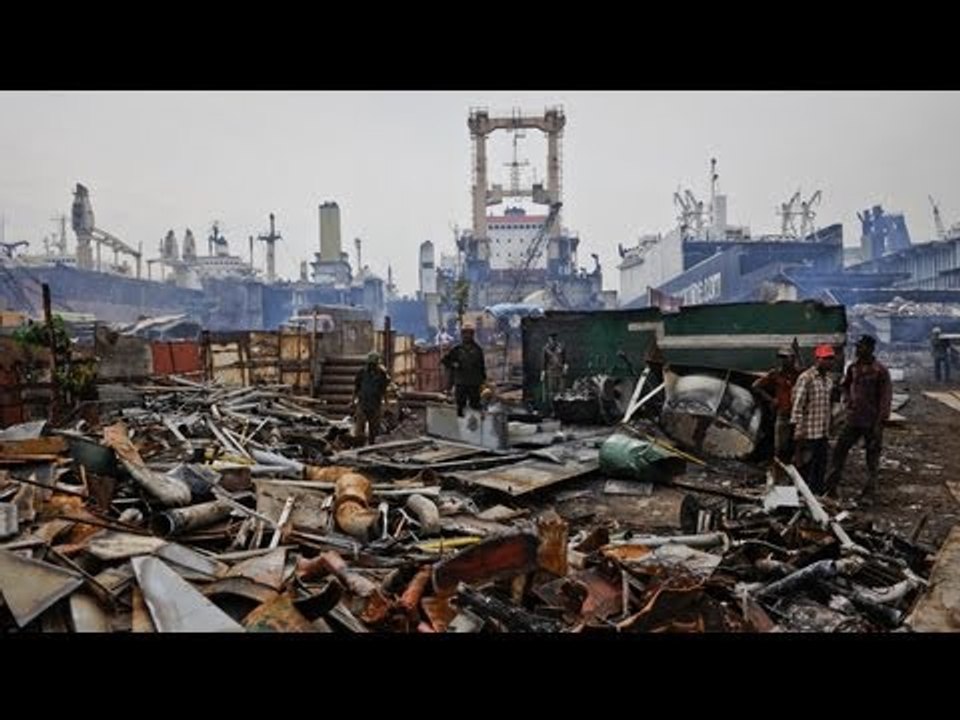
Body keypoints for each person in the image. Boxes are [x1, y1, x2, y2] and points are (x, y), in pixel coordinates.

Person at [825, 334, 892, 503]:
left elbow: (885, 399)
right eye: (857, 347)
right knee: (839, 452)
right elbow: (845, 385)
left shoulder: (880, 371)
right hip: (853, 420)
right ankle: (831, 488)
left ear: (870, 349)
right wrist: (848, 399)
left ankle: (869, 493)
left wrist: (880, 423)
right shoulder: (853, 368)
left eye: (860, 347)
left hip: (872, 421)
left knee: (872, 458)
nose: (857, 350)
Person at [791, 344, 836, 494]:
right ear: (817, 359)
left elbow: (827, 407)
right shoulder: (806, 378)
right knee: (806, 468)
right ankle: (803, 496)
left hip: (822, 433)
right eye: (826, 358)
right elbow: (797, 406)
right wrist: (798, 432)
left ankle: (817, 495)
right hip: (808, 433)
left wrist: (829, 429)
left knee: (820, 467)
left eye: (831, 359)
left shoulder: (828, 381)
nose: (829, 362)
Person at [752, 346, 800, 468]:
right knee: (780, 445)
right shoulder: (775, 374)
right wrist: (771, 400)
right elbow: (756, 386)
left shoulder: (799, 374)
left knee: (797, 445)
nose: (784, 360)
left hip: (798, 415)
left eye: (786, 357)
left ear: (793, 358)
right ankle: (778, 469)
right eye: (782, 358)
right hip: (783, 413)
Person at [441, 324, 487, 416]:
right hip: (461, 383)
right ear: (462, 335)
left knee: (475, 406)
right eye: (465, 333)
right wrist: (454, 365)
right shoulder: (457, 349)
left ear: (472, 335)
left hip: (474, 383)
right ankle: (460, 422)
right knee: (460, 406)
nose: (467, 335)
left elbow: (482, 367)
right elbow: (445, 361)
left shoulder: (478, 350)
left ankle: (474, 423)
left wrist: (483, 382)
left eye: (469, 333)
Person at [352, 351, 390, 445]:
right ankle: (359, 444)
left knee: (374, 429)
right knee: (360, 427)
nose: (371, 366)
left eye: (373, 364)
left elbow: (384, 390)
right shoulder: (362, 373)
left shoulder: (381, 374)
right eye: (370, 364)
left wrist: (386, 404)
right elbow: (356, 388)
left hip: (375, 405)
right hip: (363, 404)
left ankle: (371, 445)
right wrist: (352, 401)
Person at [541, 332, 568, 416]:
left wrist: (565, 367)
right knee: (552, 392)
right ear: (549, 340)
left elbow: (565, 359)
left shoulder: (561, 347)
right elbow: (544, 361)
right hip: (551, 372)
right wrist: (543, 372)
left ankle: (562, 411)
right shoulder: (546, 349)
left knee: (561, 391)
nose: (552, 341)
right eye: (551, 339)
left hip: (560, 371)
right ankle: (553, 410)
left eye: (553, 339)